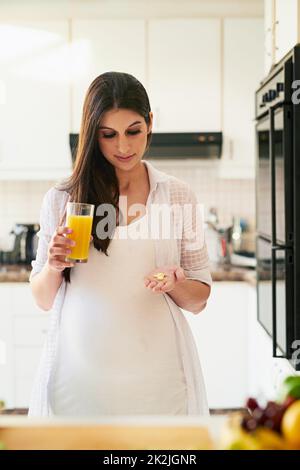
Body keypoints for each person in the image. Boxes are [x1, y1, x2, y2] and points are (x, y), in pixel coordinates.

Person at [28, 71, 212, 417]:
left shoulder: (177, 196)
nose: (123, 147)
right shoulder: (63, 199)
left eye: (133, 131)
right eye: (108, 135)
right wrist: (53, 266)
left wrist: (176, 283)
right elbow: (42, 299)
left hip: (159, 377)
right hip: (79, 376)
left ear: (150, 123)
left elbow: (199, 299)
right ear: (92, 134)